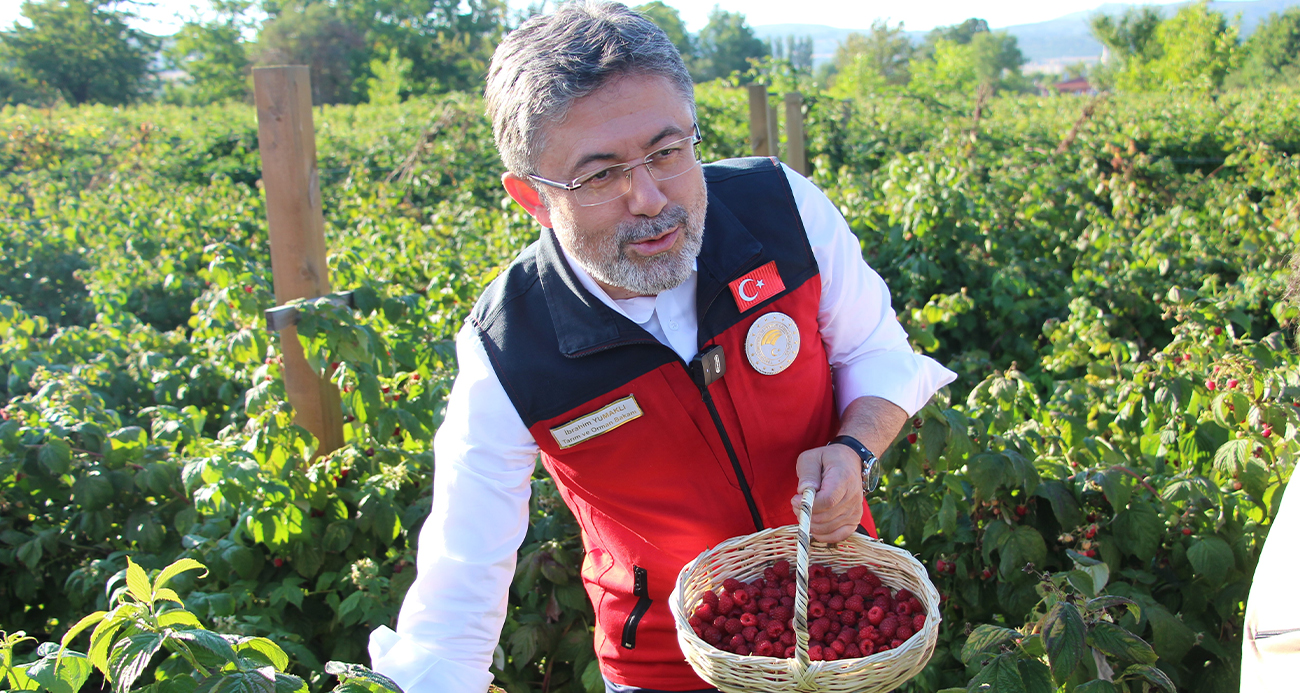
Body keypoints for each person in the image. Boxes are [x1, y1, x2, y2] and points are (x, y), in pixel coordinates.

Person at [368, 2, 955, 691]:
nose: (648, 196)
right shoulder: (511, 343)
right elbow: (464, 573)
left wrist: (856, 448)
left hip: (836, 627)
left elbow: (878, 351)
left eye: (668, 152)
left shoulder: (781, 211)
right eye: (598, 175)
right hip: (662, 666)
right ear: (530, 196)